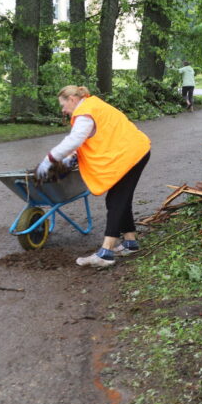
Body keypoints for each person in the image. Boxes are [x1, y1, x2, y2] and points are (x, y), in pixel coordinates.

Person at [36, 85, 152, 268]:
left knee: (116, 201)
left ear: (72, 100)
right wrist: (72, 157)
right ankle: (130, 242)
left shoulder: (85, 112)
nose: (63, 110)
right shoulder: (92, 105)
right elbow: (90, 139)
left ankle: (106, 253)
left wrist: (49, 159)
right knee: (121, 199)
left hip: (131, 155)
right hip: (133, 151)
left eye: (63, 105)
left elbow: (75, 139)